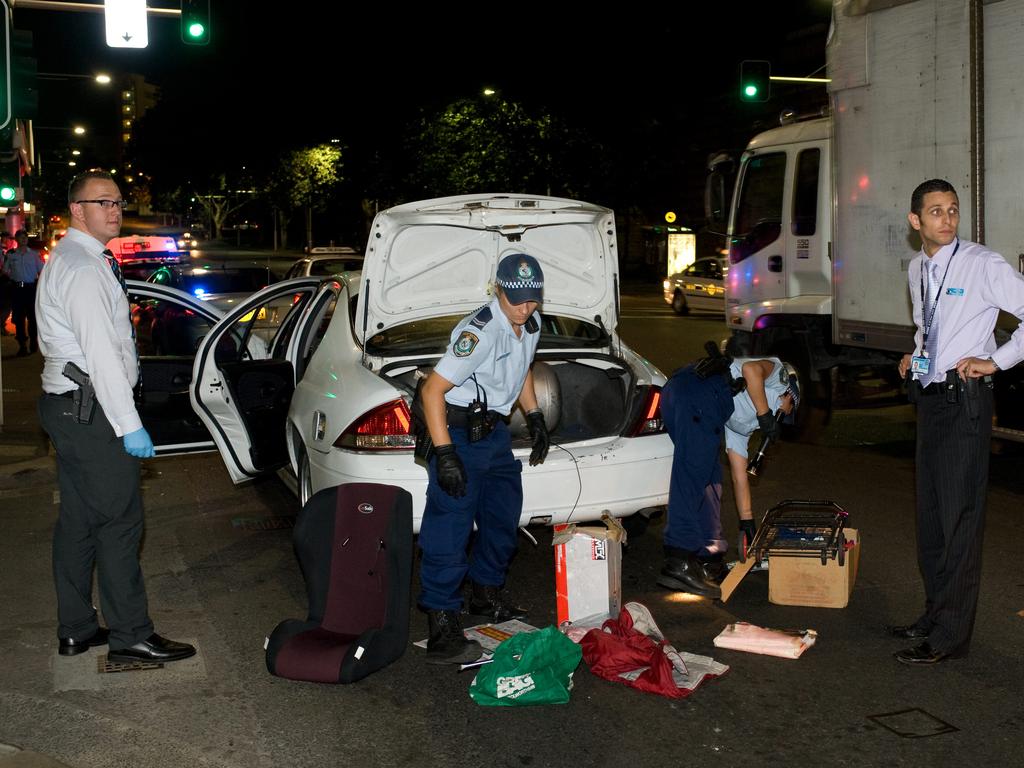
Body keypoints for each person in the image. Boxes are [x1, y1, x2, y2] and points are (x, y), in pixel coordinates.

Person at [35, 169, 196, 664]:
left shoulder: (80, 259)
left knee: (80, 522)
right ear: (76, 210)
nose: (114, 210)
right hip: (93, 410)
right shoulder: (82, 268)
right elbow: (102, 354)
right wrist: (130, 425)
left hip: (71, 408)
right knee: (120, 523)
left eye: (118, 201)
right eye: (101, 202)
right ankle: (131, 636)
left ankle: (78, 628)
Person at [892, 178, 1024, 665]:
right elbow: (929, 325)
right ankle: (933, 614)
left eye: (953, 210)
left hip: (966, 400)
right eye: (936, 212)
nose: (947, 219)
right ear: (915, 221)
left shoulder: (981, 263)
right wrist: (916, 354)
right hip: (930, 399)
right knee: (930, 517)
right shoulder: (917, 267)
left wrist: (998, 360)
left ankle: (951, 635)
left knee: (960, 520)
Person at [414, 252, 550, 665]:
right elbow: (431, 391)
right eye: (517, 301)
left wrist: (536, 415)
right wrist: (445, 454)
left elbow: (523, 368)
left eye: (533, 300)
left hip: (493, 434)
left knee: (503, 514)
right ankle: (441, 622)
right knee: (450, 528)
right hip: (455, 432)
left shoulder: (531, 322)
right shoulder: (480, 332)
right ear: (498, 290)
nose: (525, 309)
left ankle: (486, 593)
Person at [657, 352, 798, 599]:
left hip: (697, 400)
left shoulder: (741, 425)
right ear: (789, 396)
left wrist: (747, 523)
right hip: (698, 391)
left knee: (711, 481)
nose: (782, 417)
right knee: (691, 475)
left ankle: (708, 557)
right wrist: (767, 416)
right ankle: (679, 561)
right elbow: (752, 371)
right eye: (786, 411)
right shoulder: (778, 374)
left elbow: (739, 475)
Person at [3, 229, 45, 355]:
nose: (24, 239)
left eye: (25, 238)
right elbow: (5, 271)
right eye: (21, 237)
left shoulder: (34, 255)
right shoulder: (11, 255)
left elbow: (41, 270)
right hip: (17, 290)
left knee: (32, 318)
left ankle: (33, 341)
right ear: (16, 240)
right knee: (18, 319)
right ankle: (22, 345)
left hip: (30, 289)